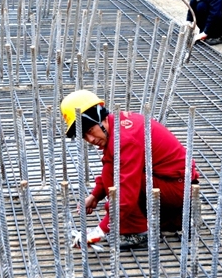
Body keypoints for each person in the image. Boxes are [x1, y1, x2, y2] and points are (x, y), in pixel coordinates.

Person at [60, 89, 199, 250]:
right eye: (84, 135)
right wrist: (95, 195)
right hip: (173, 184)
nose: (90, 139)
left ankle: (138, 232)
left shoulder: (125, 139)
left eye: (90, 130)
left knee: (119, 180)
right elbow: (110, 165)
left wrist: (102, 229)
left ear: (101, 118)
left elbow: (125, 191)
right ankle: (177, 217)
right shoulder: (117, 125)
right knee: (112, 171)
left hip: (178, 188)